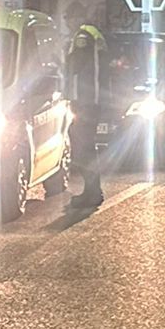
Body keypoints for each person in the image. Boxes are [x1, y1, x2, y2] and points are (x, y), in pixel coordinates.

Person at [66, 21, 106, 209]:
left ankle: (93, 192)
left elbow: (77, 68)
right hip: (90, 101)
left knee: (83, 148)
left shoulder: (83, 37)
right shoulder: (94, 35)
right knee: (85, 146)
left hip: (85, 102)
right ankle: (92, 191)